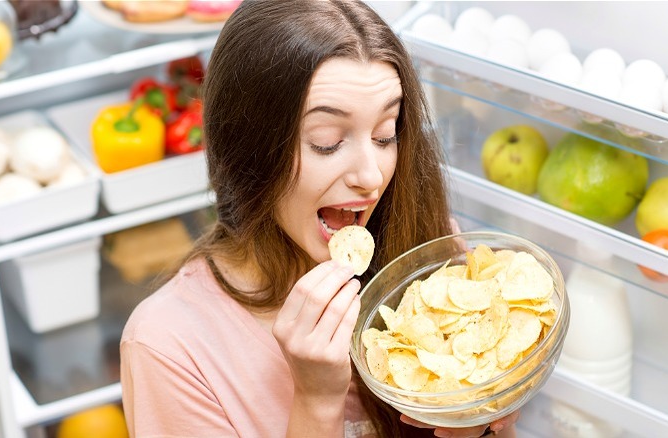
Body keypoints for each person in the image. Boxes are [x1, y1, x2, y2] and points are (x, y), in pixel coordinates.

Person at [120, 1, 520, 437]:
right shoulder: (169, 344)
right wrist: (316, 401)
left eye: (385, 134)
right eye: (327, 142)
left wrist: (472, 424)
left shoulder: (428, 257)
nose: (371, 176)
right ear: (248, 147)